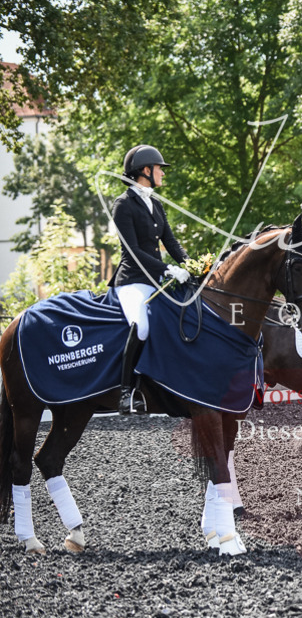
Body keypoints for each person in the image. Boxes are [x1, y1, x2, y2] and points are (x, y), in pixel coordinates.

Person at [110, 144, 190, 415]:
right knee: (141, 326)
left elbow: (171, 242)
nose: (162, 174)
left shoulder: (154, 203)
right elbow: (132, 253)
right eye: (159, 169)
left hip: (155, 280)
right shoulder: (123, 205)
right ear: (145, 170)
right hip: (132, 281)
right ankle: (125, 391)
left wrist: (192, 265)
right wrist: (168, 269)